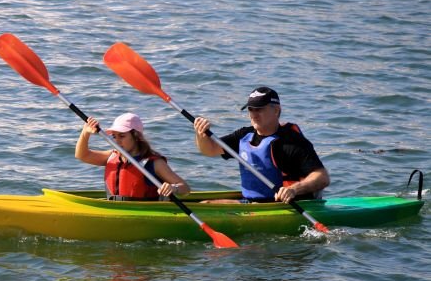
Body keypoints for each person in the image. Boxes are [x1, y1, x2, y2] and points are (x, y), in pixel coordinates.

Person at [193, 86, 330, 204]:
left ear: (276, 110)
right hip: (252, 203)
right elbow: (210, 150)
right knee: (205, 203)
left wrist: (293, 190)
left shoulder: (292, 142)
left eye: (259, 109)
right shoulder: (244, 135)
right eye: (251, 109)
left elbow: (322, 177)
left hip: (287, 205)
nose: (254, 115)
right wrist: (201, 134)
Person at [76, 112, 190, 200]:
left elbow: (185, 188)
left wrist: (173, 188)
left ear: (136, 136)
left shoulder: (154, 163)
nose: (117, 141)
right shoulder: (111, 156)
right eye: (115, 137)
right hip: (114, 209)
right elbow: (82, 155)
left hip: (142, 213)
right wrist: (85, 133)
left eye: (122, 136)